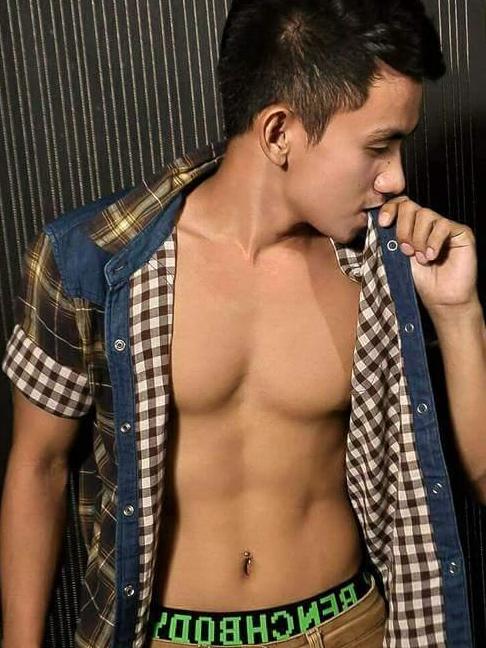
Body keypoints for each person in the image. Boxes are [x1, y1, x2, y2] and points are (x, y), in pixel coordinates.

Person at [1, 0, 484, 647]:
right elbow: (38, 465)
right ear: (279, 132)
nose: (396, 177)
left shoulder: (387, 266)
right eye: (379, 146)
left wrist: (458, 313)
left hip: (346, 628)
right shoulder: (89, 261)